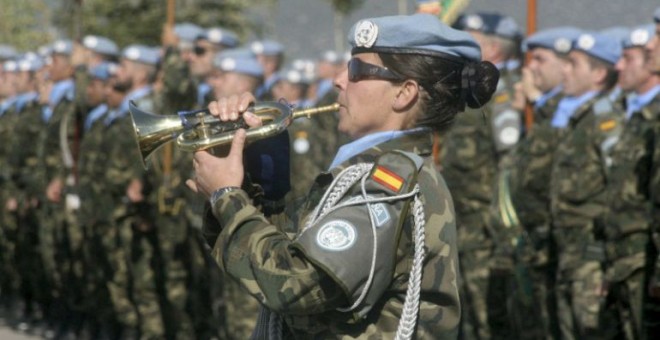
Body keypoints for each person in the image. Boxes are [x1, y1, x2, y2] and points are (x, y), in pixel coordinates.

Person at [188, 13, 499, 338]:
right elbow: (287, 250)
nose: (338, 80)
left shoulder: (388, 186)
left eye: (356, 70)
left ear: (404, 93)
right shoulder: (366, 174)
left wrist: (227, 196)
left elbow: (294, 285)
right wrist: (248, 169)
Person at [550, 31, 622, 339]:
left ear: (599, 74)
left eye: (574, 65)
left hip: (592, 260)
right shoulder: (580, 117)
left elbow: (619, 190)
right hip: (569, 257)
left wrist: (607, 260)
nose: (564, 71)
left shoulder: (606, 121)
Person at [600, 23, 660, 340]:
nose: (619, 66)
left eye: (628, 58)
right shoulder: (635, 114)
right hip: (625, 261)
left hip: (643, 263)